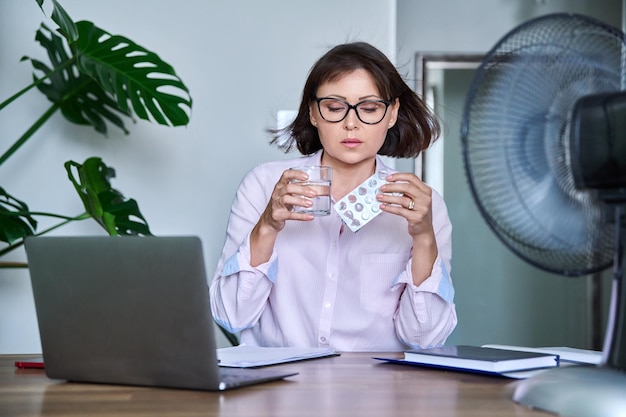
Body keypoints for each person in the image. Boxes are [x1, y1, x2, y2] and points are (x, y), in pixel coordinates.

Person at [210, 42, 456, 351]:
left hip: (376, 390)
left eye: (369, 108)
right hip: (277, 387)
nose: (351, 123)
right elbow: (231, 316)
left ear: (392, 113)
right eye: (335, 107)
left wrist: (423, 238)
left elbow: (425, 338)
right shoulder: (264, 185)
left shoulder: (422, 206)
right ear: (313, 112)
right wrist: (267, 226)